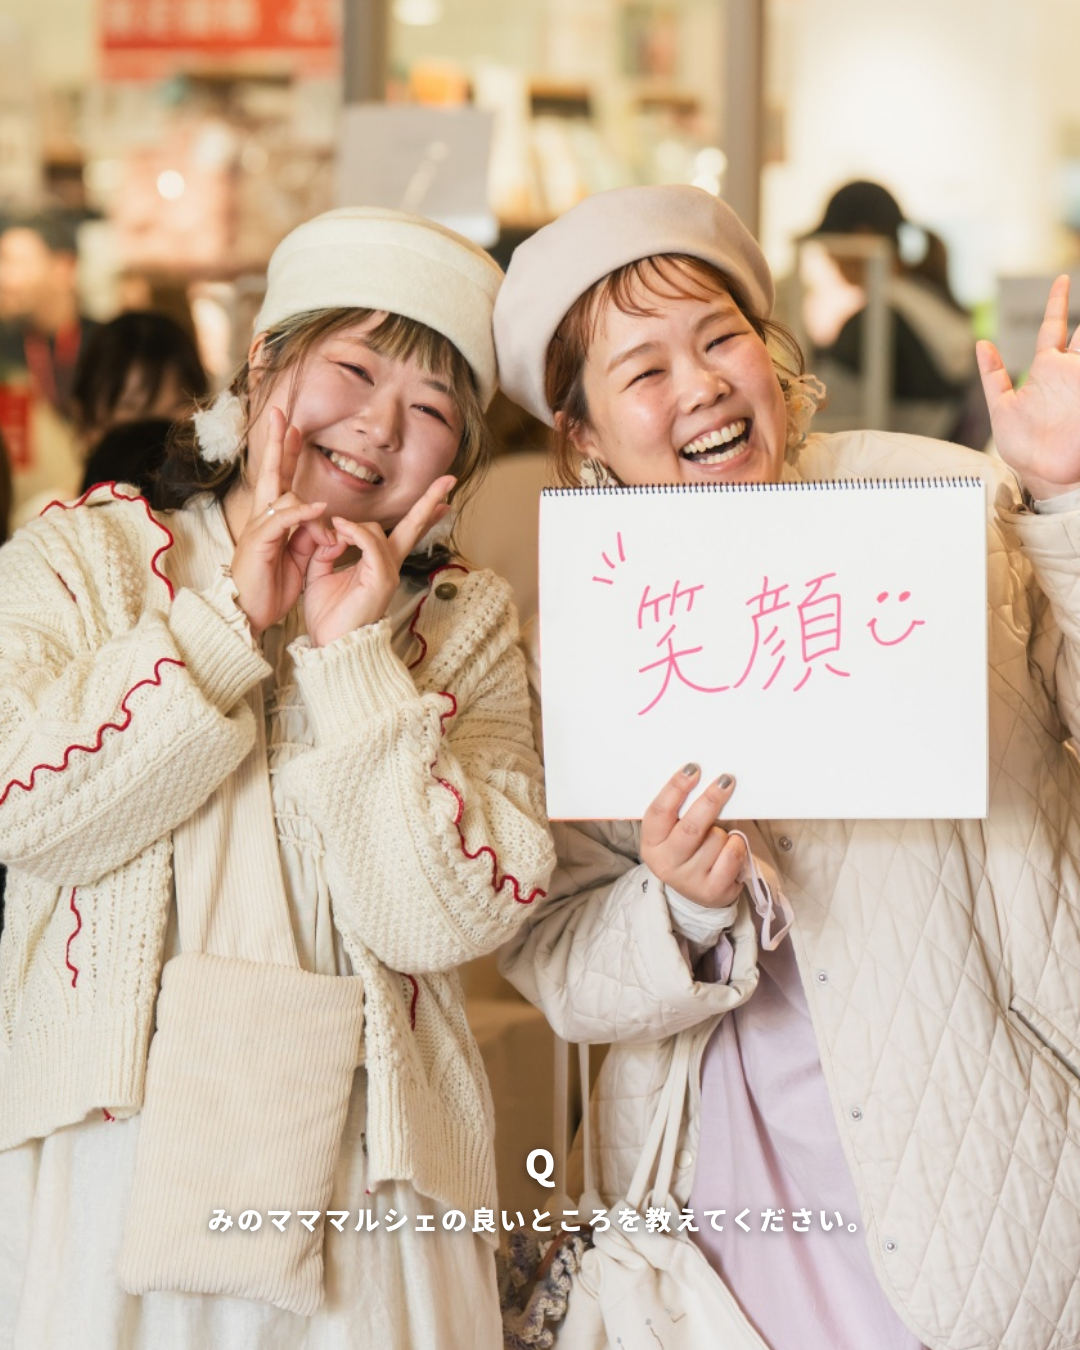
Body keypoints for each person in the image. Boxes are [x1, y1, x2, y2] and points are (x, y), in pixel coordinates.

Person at [494, 184, 1080, 1350]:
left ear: (772, 352)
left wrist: (1066, 501)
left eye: (722, 339)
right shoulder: (581, 637)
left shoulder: (947, 505)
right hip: (727, 1170)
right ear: (583, 432)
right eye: (644, 370)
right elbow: (555, 955)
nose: (702, 385)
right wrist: (676, 904)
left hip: (988, 1123)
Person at [0, 206, 555, 1349]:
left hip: (375, 1180)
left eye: (432, 410)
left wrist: (355, 663)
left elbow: (451, 918)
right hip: (106, 1152)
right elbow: (30, 811)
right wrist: (226, 625)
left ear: (458, 459)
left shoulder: (464, 623)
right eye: (353, 370)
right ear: (264, 365)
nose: (379, 426)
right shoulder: (84, 557)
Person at [801, 180, 984, 445]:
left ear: (862, 238)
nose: (829, 256)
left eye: (830, 243)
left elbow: (816, 418)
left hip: (914, 464)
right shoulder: (923, 298)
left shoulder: (877, 321)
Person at [72, 309, 209, 489]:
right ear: (84, 419)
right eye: (133, 408)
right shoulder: (53, 508)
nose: (159, 439)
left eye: (177, 406)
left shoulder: (224, 503)